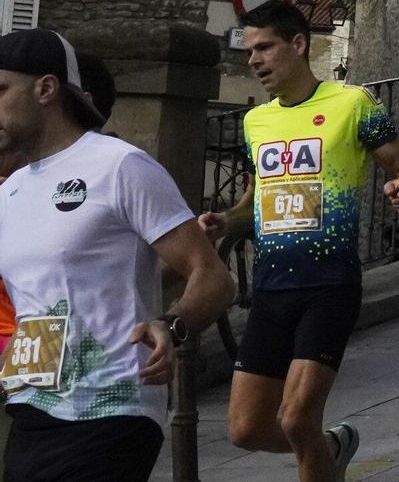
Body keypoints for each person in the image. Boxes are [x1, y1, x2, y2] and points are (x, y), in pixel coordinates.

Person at [198, 3, 399, 482]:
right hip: (270, 288)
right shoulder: (256, 123)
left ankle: (317, 446)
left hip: (329, 285)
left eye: (264, 48)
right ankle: (331, 447)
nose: (253, 61)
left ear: (298, 44)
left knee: (297, 419)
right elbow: (255, 201)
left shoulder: (352, 103)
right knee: (245, 429)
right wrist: (226, 221)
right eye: (249, 51)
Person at [0, 30, 235, 482]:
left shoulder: (120, 166)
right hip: (32, 406)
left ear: (45, 89)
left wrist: (170, 324)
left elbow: (213, 276)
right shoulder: (11, 188)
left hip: (112, 406)